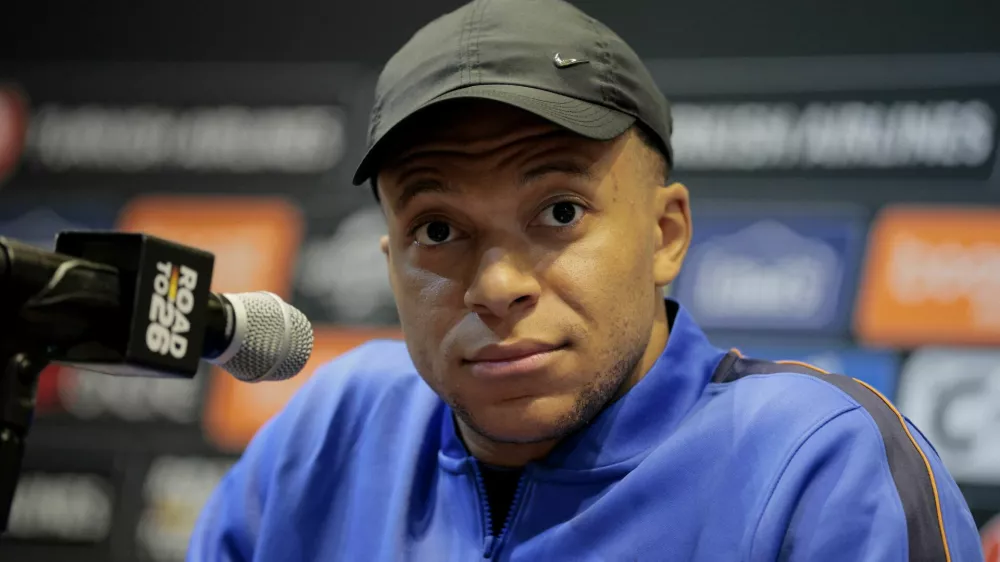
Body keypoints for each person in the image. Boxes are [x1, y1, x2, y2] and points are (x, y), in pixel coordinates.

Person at [188, 0, 985, 560]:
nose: (496, 285)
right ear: (391, 261)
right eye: (438, 229)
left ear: (665, 234)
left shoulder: (818, 461)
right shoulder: (332, 429)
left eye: (560, 212)